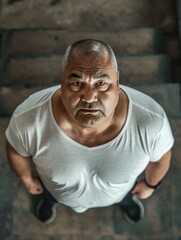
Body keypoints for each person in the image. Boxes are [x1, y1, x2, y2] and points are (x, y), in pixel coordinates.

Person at [5, 39, 174, 225]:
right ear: (62, 81)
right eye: (77, 83)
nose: (90, 97)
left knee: (126, 197)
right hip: (55, 191)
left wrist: (150, 185)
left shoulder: (152, 123)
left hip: (120, 192)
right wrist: (28, 180)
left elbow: (161, 157)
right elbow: (15, 150)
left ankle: (126, 203)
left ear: (117, 81)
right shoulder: (27, 120)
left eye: (101, 82)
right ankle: (48, 202)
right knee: (49, 196)